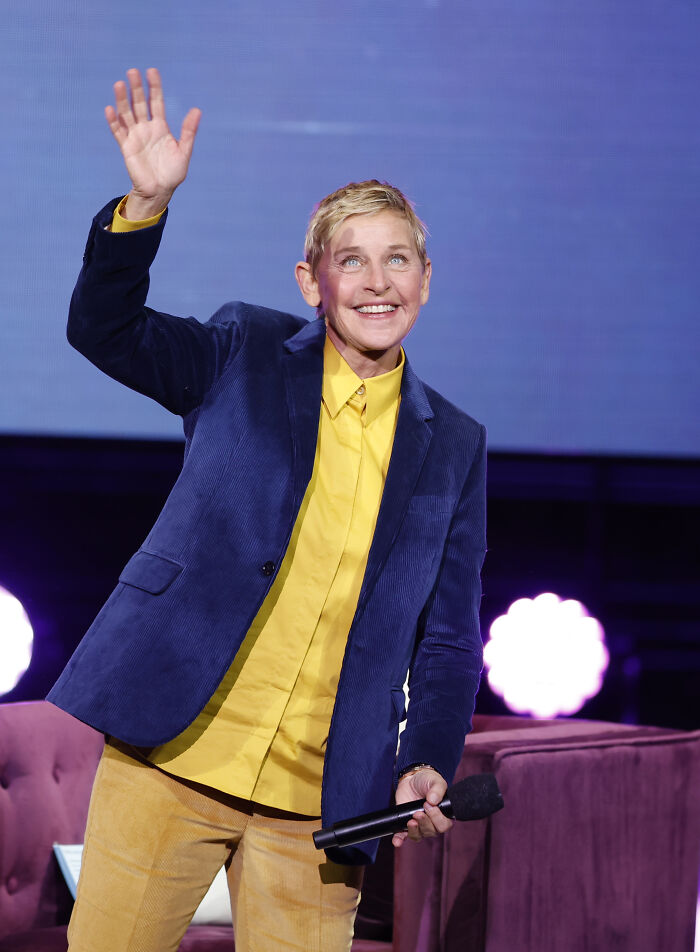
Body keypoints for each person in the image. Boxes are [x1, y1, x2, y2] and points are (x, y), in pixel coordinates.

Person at [48, 68, 487, 952]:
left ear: (427, 281)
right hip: (170, 760)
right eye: (349, 259)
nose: (375, 281)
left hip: (320, 807)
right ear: (309, 280)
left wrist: (426, 757)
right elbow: (106, 331)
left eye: (397, 258)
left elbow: (448, 640)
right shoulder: (242, 350)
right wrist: (144, 204)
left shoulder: (456, 445)